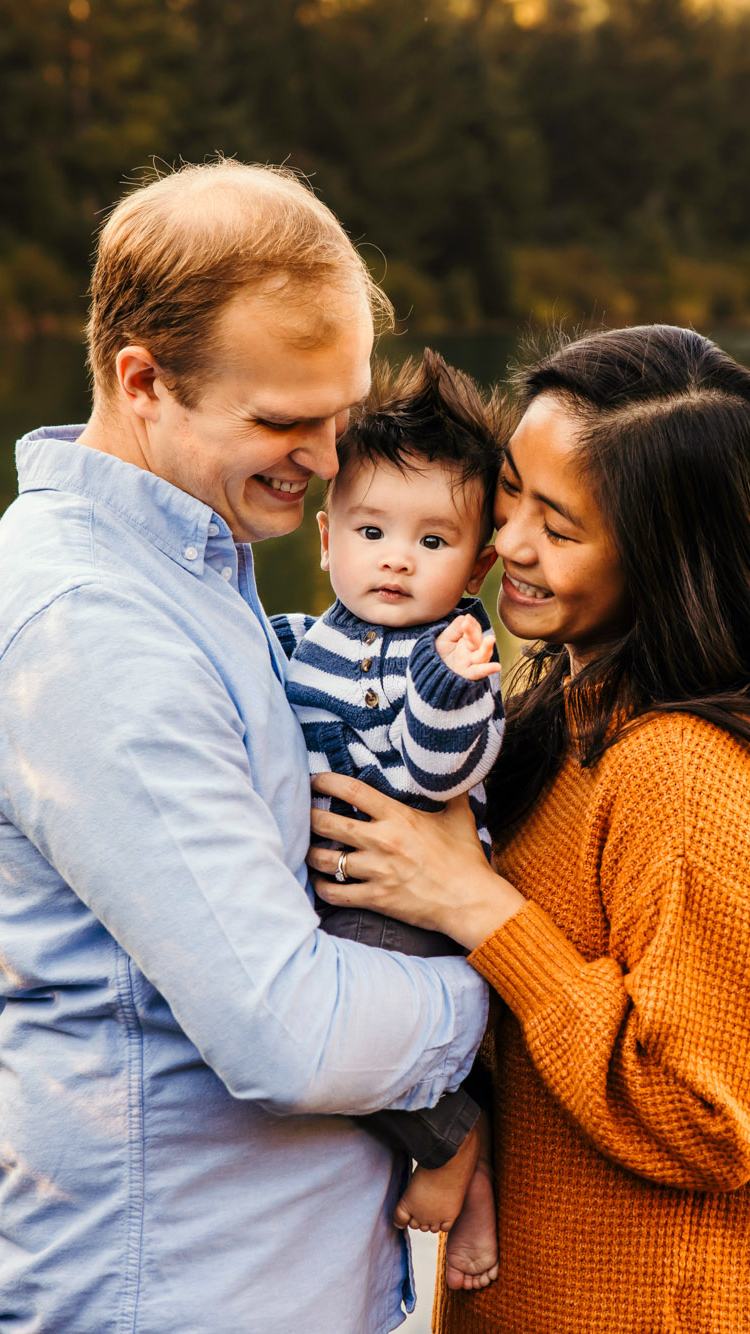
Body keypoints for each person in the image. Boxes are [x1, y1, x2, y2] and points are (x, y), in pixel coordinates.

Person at [0, 161, 488, 1334]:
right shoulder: (88, 628)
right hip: (163, 1295)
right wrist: (503, 980)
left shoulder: (194, 570)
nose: (329, 459)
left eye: (340, 414)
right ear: (143, 381)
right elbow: (289, 1030)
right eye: (283, 420)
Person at [308, 324, 750, 1333]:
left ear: (665, 555)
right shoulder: (557, 721)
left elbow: (707, 1120)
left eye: (559, 524)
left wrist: (478, 907)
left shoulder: (684, 777)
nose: (507, 543)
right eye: (511, 494)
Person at [269, 348, 509, 1291]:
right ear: (326, 538)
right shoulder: (299, 640)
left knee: (337, 1026)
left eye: (434, 542)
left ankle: (451, 1144)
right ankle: (466, 1152)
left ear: (479, 562)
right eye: (371, 530)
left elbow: (436, 765)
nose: (397, 559)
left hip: (405, 906)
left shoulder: (455, 662)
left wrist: (451, 681)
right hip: (328, 884)